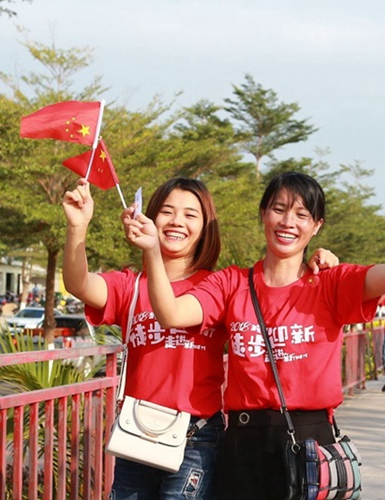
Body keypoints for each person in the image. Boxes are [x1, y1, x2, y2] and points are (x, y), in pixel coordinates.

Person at [124, 169, 385, 499]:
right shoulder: (231, 283)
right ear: (263, 214)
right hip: (243, 445)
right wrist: (153, 252)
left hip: (311, 442)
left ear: (316, 226)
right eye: (279, 209)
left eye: (301, 215)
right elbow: (171, 314)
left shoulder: (330, 282)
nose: (288, 222)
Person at [62, 177, 339, 498]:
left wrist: (316, 259)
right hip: (136, 433)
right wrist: (77, 229)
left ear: (205, 227)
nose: (177, 221)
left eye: (190, 215)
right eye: (167, 211)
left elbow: (276, 285)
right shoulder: (131, 286)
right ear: (149, 218)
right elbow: (78, 283)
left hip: (197, 437)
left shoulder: (220, 286)